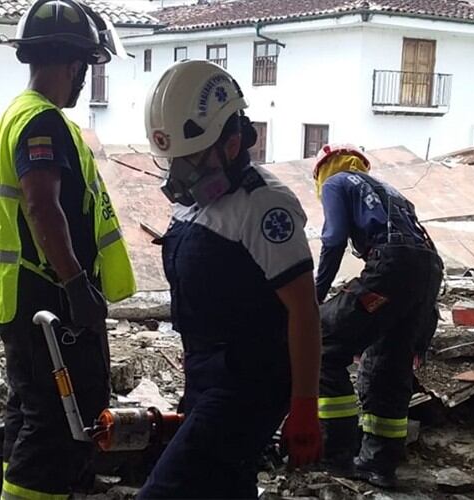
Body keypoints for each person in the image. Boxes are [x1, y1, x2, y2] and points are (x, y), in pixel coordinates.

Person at [138, 60, 323, 499]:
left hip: (249, 382)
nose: (178, 173)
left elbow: (304, 311)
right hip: (206, 373)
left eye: (190, 160)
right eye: (172, 161)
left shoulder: (263, 206)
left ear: (233, 142)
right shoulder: (194, 203)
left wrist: (304, 407)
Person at [0, 1, 136, 498]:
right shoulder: (41, 122)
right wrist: (76, 284)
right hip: (49, 300)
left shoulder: (18, 115)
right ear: (74, 63)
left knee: (31, 413)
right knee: (56, 423)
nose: (85, 79)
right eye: (88, 67)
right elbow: (42, 205)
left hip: (26, 298)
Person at [312, 144, 443, 489]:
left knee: (324, 344)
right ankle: (379, 465)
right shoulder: (391, 192)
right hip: (427, 271)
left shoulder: (336, 183)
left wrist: (314, 299)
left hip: (393, 265)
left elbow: (334, 239)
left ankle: (336, 455)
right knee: (389, 363)